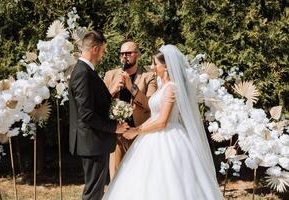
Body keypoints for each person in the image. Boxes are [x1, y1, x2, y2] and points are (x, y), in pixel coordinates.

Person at [103, 45, 223, 200]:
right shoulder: (162, 87)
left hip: (170, 138)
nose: (152, 67)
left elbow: (162, 121)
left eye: (155, 64)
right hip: (151, 136)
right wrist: (138, 129)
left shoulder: (172, 88)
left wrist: (137, 130)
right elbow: (154, 117)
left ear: (166, 67)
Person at [68, 31, 129, 200]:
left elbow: (94, 104)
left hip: (94, 142)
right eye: (102, 50)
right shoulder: (83, 73)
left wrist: (112, 93)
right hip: (92, 142)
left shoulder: (86, 71)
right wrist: (114, 127)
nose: (103, 54)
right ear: (95, 49)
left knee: (96, 190)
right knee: (93, 193)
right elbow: (86, 114)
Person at [103, 41, 157, 179]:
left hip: (139, 134)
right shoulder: (110, 75)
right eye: (122, 53)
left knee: (140, 177)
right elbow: (100, 103)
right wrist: (112, 90)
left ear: (137, 54)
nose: (124, 56)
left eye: (128, 53)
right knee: (115, 178)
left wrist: (132, 87)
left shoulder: (148, 76)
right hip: (116, 135)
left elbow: (151, 104)